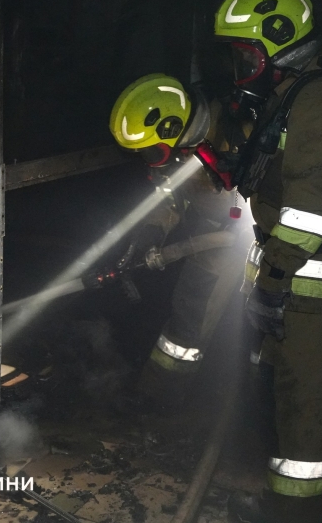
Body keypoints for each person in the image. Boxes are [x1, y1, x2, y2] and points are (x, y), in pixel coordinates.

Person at [212, 0, 322, 523]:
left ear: (277, 40)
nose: (241, 65)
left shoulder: (320, 99)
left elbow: (310, 205)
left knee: (299, 392)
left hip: (306, 271)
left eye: (245, 52)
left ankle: (291, 509)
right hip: (311, 270)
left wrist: (275, 274)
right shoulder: (302, 95)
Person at [108, 73, 253, 415]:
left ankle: (250, 407)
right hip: (215, 235)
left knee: (265, 329)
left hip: (262, 239)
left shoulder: (237, 132)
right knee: (190, 315)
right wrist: (151, 234)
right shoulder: (177, 150)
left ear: (171, 127)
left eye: (150, 150)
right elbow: (168, 196)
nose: (150, 159)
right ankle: (159, 401)